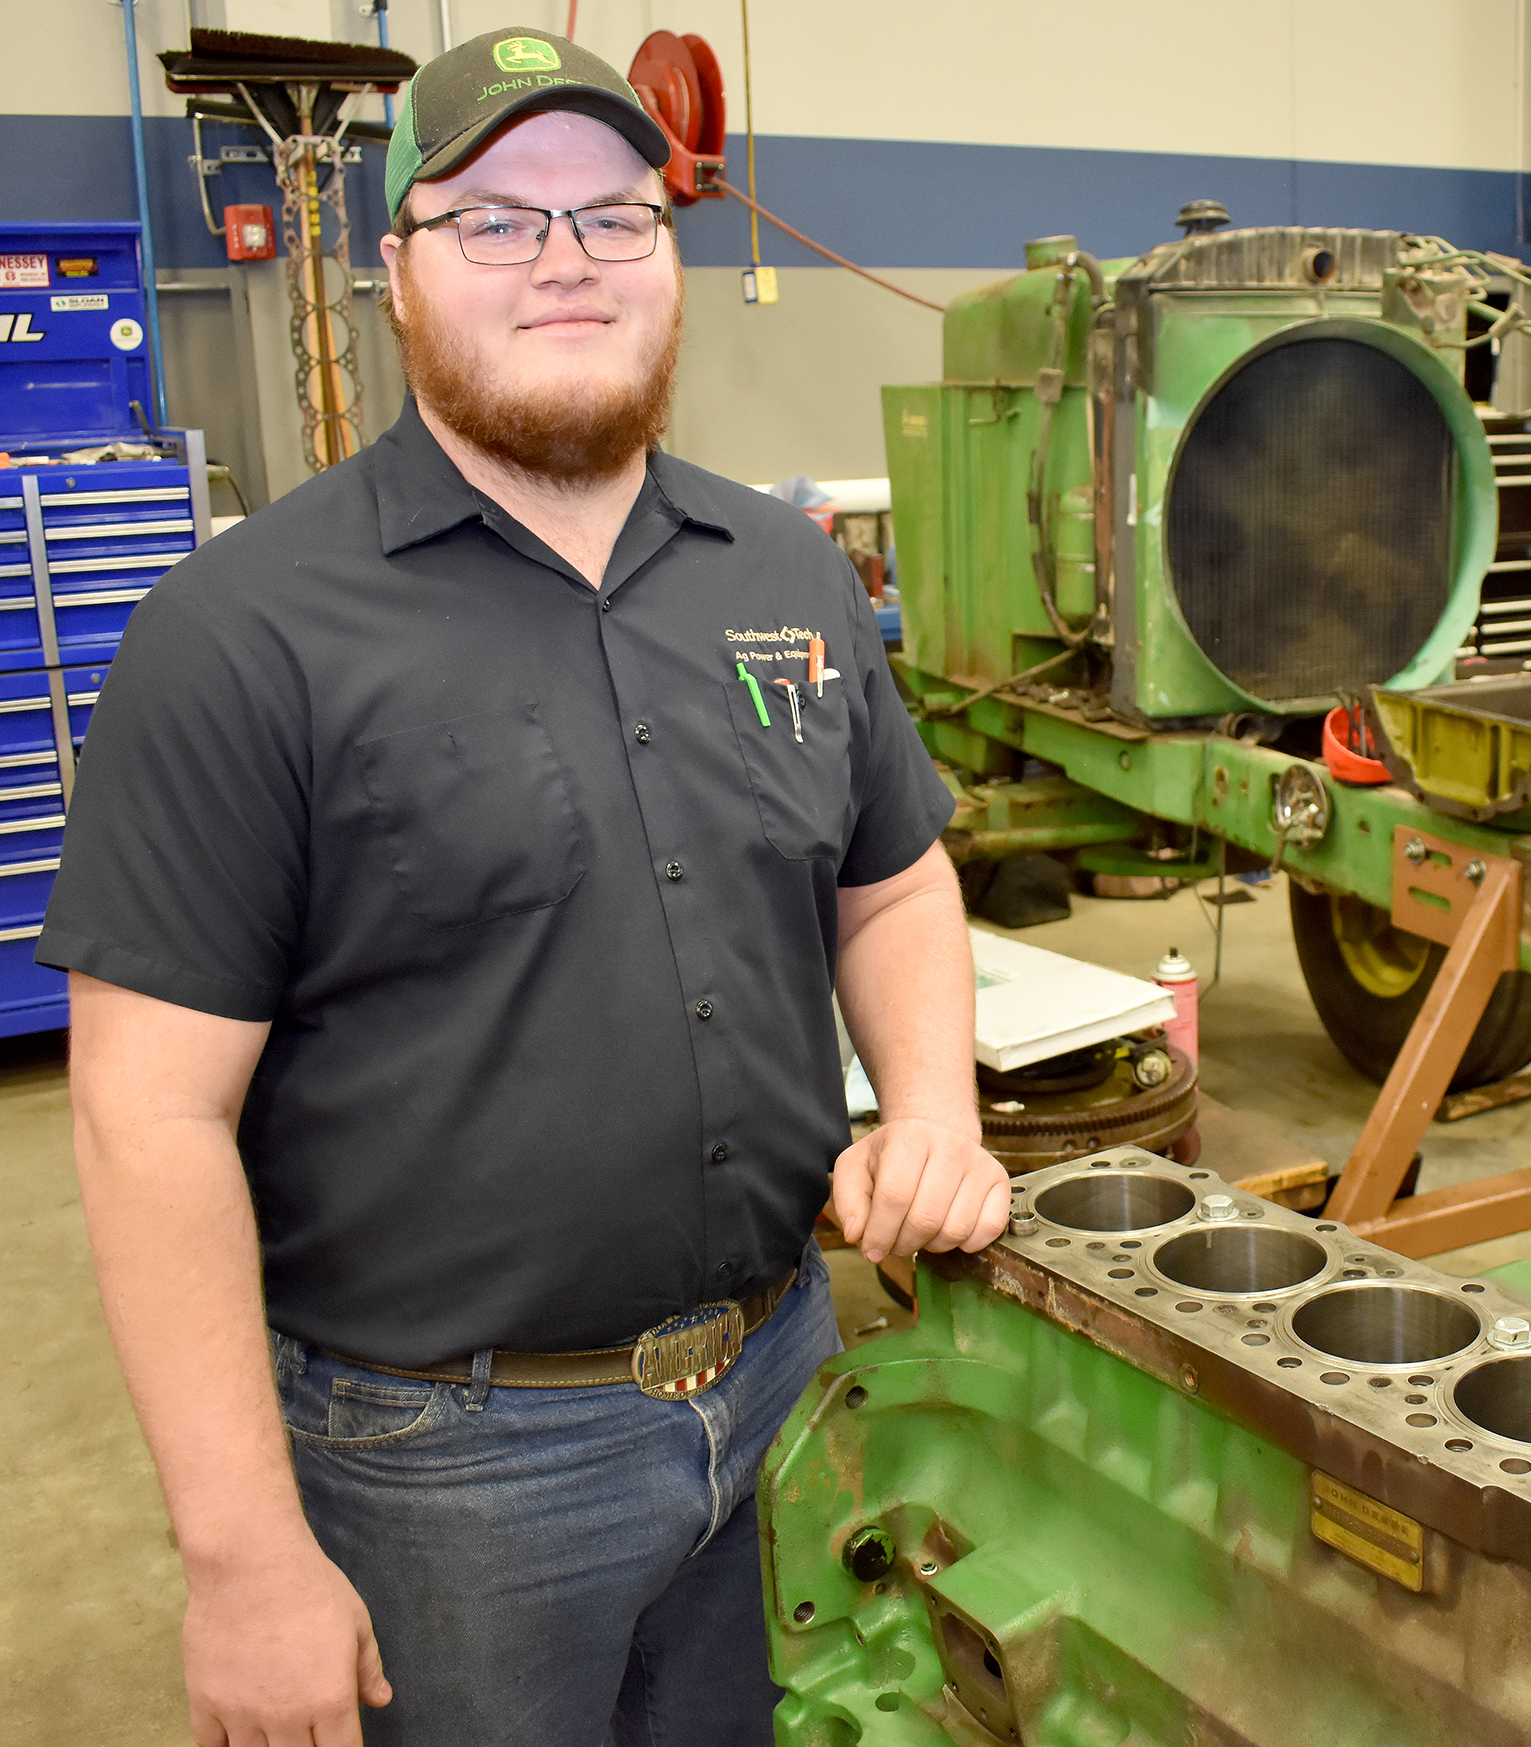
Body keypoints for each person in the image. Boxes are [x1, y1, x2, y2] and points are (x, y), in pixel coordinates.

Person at [38, 26, 1006, 1747]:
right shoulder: (243, 638)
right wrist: (246, 1555)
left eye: (615, 216)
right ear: (394, 272)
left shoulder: (785, 572)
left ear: (669, 255)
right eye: (492, 219)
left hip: (782, 1375)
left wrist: (932, 1103)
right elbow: (143, 1120)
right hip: (447, 1476)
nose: (565, 260)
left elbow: (893, 879)